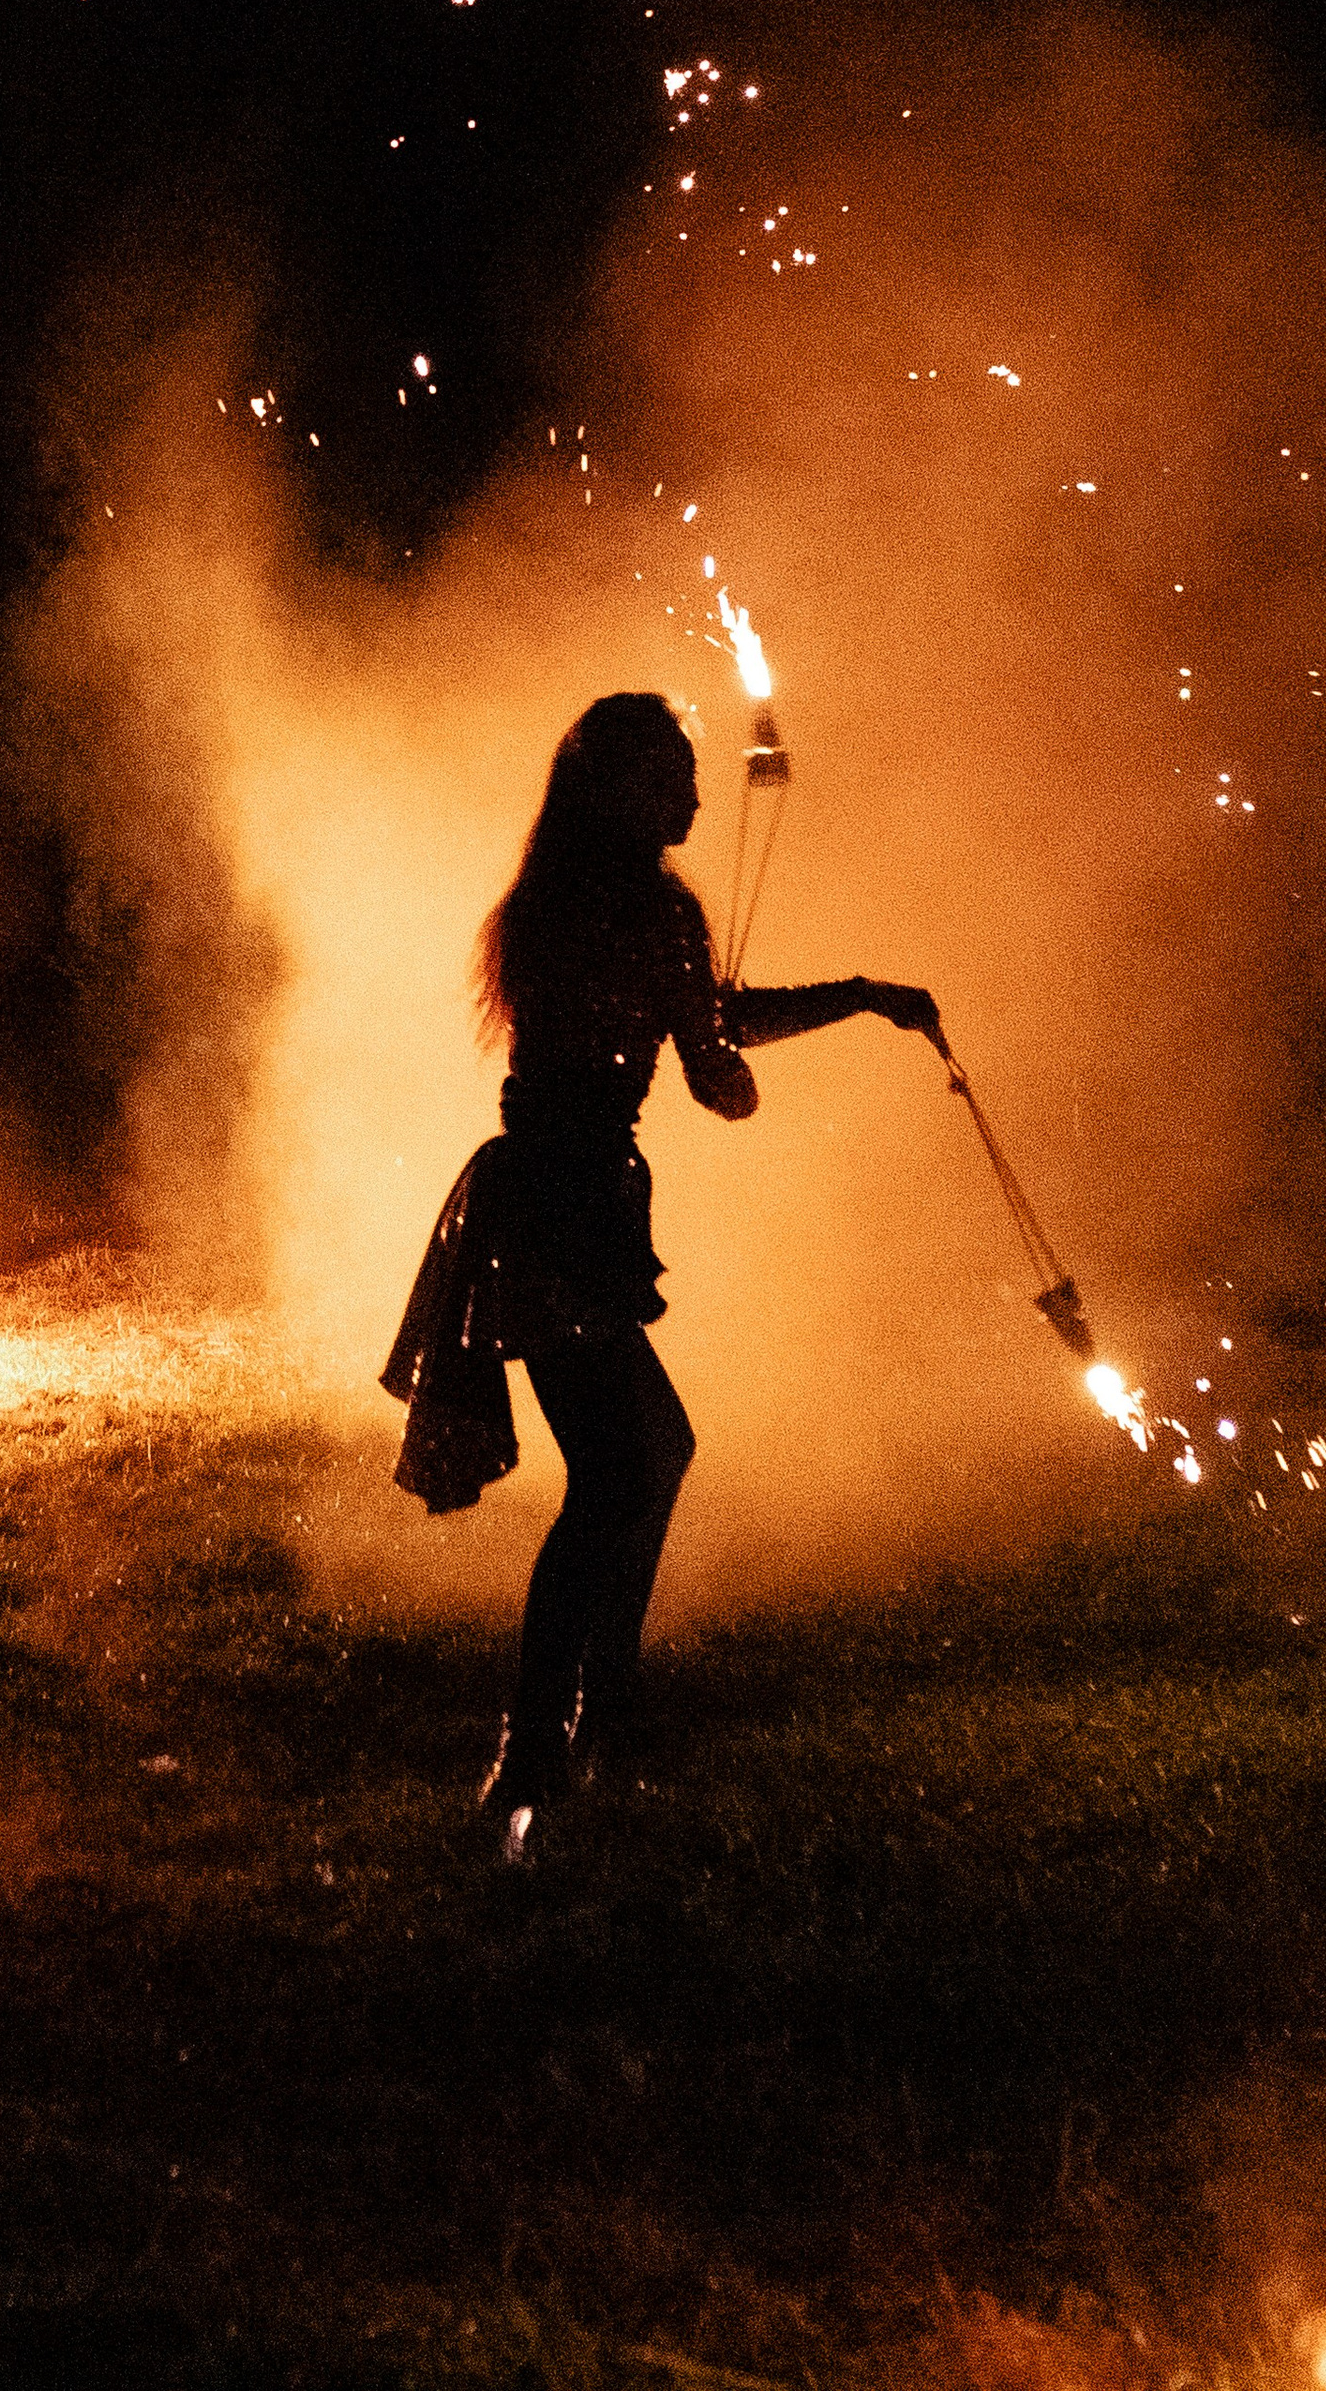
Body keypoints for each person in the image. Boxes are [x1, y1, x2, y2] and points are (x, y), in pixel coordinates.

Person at [380, 691, 939, 1858]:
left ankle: (595, 1724)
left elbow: (699, 1019)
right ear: (620, 790)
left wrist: (856, 1001)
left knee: (646, 1457)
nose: (693, 791)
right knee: (616, 1478)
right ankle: (537, 1755)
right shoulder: (648, 909)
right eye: (672, 774)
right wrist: (775, 1052)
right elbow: (708, 1055)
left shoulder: (554, 901)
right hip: (563, 1216)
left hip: (529, 1199)